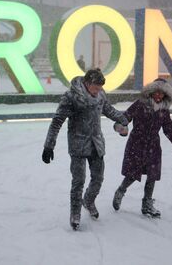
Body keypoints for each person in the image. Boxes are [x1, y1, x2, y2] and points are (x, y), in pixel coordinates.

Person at [42, 68, 128, 230]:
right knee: (78, 181)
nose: (98, 91)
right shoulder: (71, 97)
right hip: (78, 145)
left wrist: (123, 119)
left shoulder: (100, 95)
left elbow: (108, 110)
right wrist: (49, 145)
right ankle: (75, 213)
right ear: (87, 84)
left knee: (98, 178)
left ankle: (88, 200)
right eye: (96, 88)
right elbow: (57, 121)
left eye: (100, 88)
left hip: (96, 144)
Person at [112, 78, 172, 217]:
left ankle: (147, 204)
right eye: (156, 93)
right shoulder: (140, 104)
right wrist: (121, 127)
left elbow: (169, 130)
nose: (158, 96)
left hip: (153, 145)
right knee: (132, 174)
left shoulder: (163, 111)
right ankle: (121, 191)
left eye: (162, 94)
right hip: (137, 143)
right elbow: (125, 118)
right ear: (151, 92)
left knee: (152, 176)